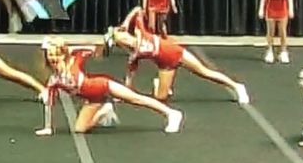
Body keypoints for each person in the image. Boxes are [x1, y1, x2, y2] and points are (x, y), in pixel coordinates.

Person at [35, 37, 183, 136]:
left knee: (136, 99)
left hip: (103, 85)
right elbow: (49, 104)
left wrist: (69, 48)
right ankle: (104, 111)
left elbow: (93, 47)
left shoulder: (74, 60)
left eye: (56, 55)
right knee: (79, 129)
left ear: (63, 54)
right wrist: (48, 127)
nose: (53, 59)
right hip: (93, 100)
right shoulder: (54, 80)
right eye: (50, 56)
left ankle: (171, 113)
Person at [106, 23, 249, 104]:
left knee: (204, 72)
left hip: (176, 52)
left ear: (125, 33)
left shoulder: (140, 30)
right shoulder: (134, 55)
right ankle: (160, 84)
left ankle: (237, 86)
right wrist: (123, 94)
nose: (123, 40)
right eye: (120, 42)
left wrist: (126, 21)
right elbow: (129, 77)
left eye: (122, 37)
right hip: (166, 66)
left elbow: (138, 9)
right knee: (160, 98)